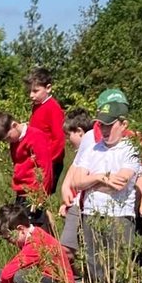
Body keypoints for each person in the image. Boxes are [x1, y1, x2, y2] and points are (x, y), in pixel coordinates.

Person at [65, 89, 142, 283]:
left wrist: (92, 181)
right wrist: (99, 178)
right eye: (102, 125)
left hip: (119, 216)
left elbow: (119, 182)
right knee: (94, 265)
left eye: (110, 125)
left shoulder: (131, 149)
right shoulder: (93, 148)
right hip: (91, 214)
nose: (105, 130)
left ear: (123, 123)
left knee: (118, 268)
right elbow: (77, 182)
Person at [0, 110, 55, 231]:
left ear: (14, 125)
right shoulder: (15, 141)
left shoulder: (35, 136)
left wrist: (40, 196)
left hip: (34, 194)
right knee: (22, 231)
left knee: (38, 231)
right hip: (22, 193)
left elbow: (45, 168)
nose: (8, 141)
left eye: (8, 137)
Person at [56, 110, 92, 266]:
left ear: (79, 131)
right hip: (75, 204)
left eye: (69, 135)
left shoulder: (91, 146)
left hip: (84, 205)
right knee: (71, 249)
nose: (68, 140)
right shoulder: (82, 150)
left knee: (67, 250)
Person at [24, 69, 67, 192]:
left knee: (40, 199)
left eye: (35, 91)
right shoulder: (37, 106)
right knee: (34, 199)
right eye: (30, 91)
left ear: (48, 88)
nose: (31, 95)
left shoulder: (53, 108)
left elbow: (59, 140)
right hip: (37, 161)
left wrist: (46, 161)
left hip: (50, 162)